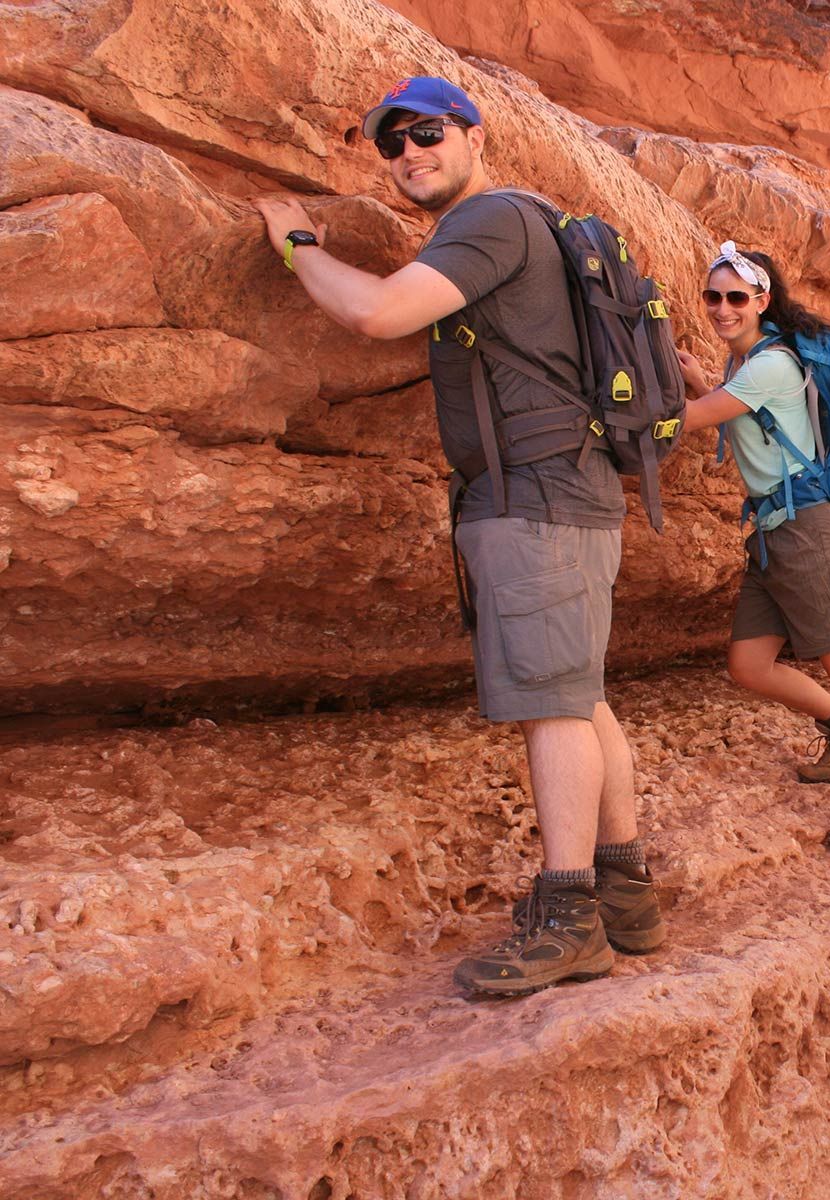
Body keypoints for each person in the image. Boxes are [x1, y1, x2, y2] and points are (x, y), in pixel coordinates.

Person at [252, 76, 661, 998]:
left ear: (475, 135)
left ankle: (569, 919)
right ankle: (625, 892)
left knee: (553, 702)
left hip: (540, 502)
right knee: (581, 694)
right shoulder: (524, 222)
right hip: (562, 492)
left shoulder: (493, 219)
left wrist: (296, 245)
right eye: (392, 145)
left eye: (427, 133)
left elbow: (377, 313)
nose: (409, 155)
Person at [674, 247, 830, 853]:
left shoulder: (770, 364)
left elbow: (692, 420)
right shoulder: (749, 362)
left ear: (762, 301)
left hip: (809, 530)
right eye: (712, 296)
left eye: (736, 298)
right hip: (776, 531)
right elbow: (741, 418)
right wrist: (700, 377)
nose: (722, 308)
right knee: (749, 664)